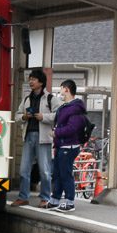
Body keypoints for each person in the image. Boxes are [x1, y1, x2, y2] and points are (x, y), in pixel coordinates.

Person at [11, 69, 56, 207]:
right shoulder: (26, 98)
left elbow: (59, 115)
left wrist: (44, 117)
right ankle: (23, 197)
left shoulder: (50, 98)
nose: (30, 81)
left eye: (34, 79)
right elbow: (17, 116)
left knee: (45, 170)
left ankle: (45, 197)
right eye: (30, 79)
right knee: (24, 169)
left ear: (41, 82)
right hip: (28, 136)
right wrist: (24, 116)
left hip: (44, 138)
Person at [47, 79, 87, 212]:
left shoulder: (75, 109)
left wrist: (56, 133)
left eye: (61, 88)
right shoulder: (66, 107)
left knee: (65, 174)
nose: (60, 91)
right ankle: (55, 200)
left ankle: (70, 202)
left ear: (66, 89)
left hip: (69, 146)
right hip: (61, 145)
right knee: (57, 174)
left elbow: (72, 128)